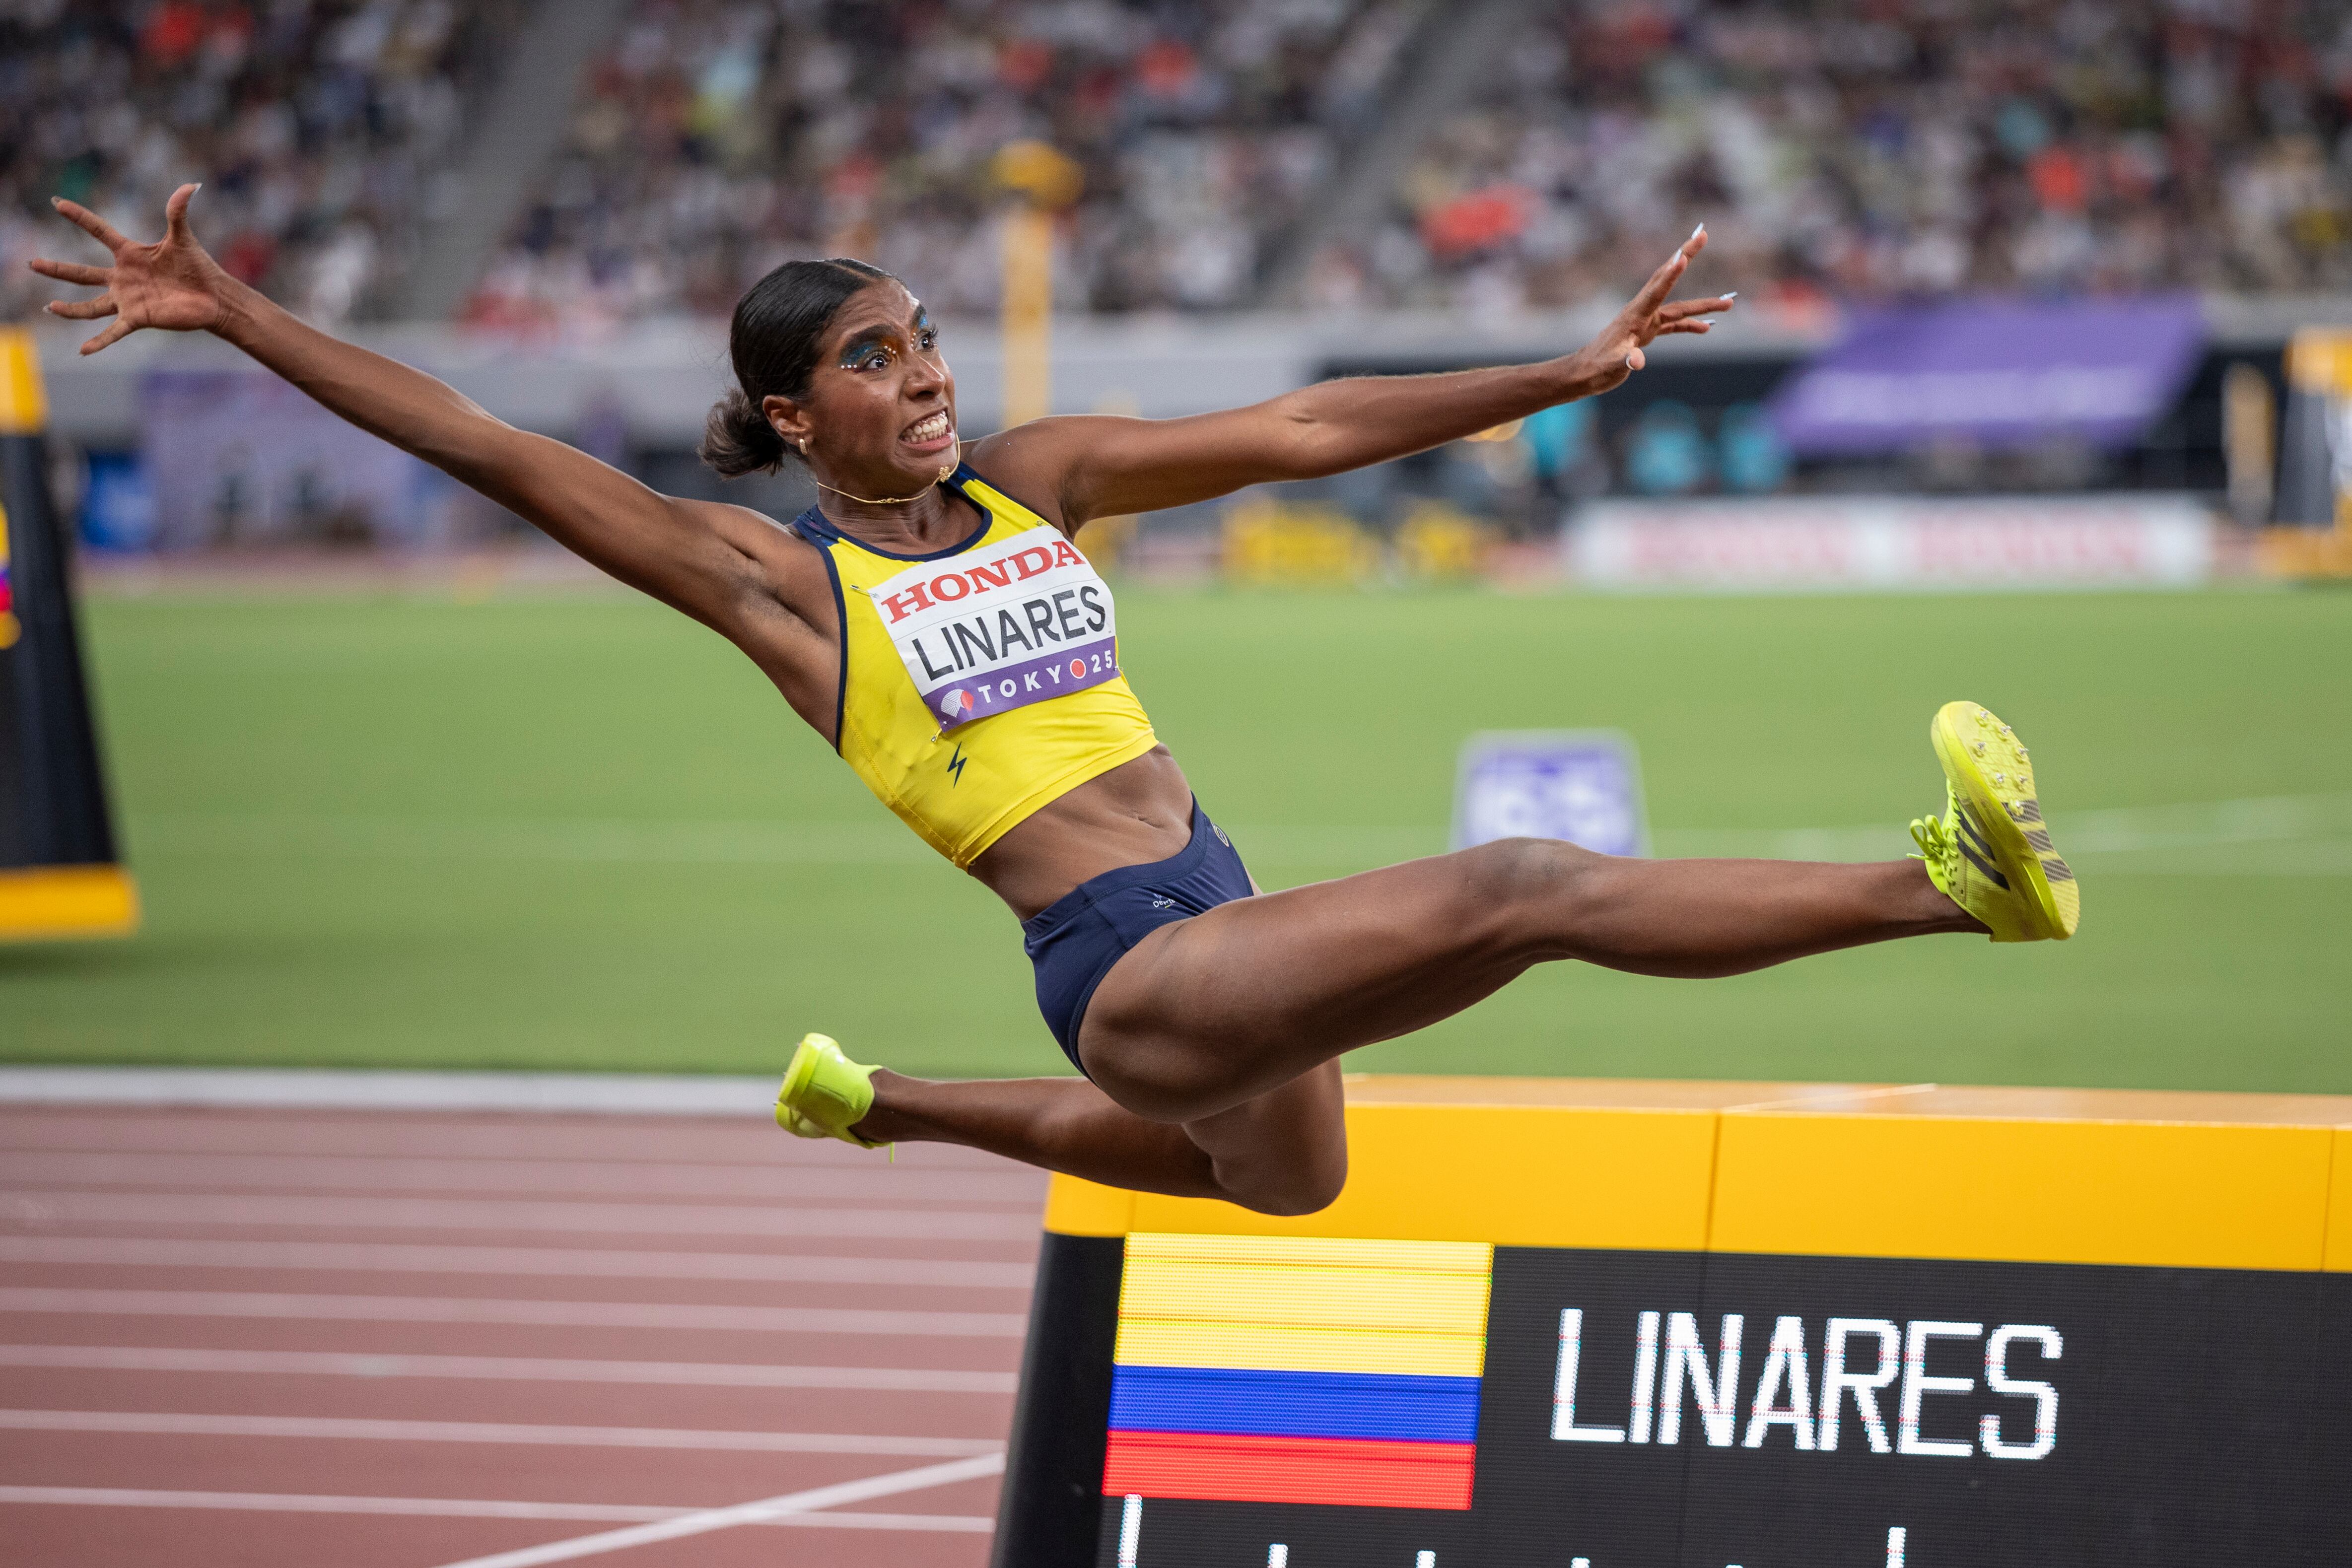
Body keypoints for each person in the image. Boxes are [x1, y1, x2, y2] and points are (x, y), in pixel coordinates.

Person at [32, 190, 2078, 1217]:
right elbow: (489, 444)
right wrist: (237, 310)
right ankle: (1950, 890)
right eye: (869, 355)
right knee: (1522, 882)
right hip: (1119, 960)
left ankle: (895, 1104)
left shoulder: (1046, 474)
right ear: (783, 411)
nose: (919, 372)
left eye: (921, 338)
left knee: (1295, 1184)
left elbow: (1300, 423)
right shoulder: (780, 586)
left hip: (1218, 887)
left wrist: (1561, 369)